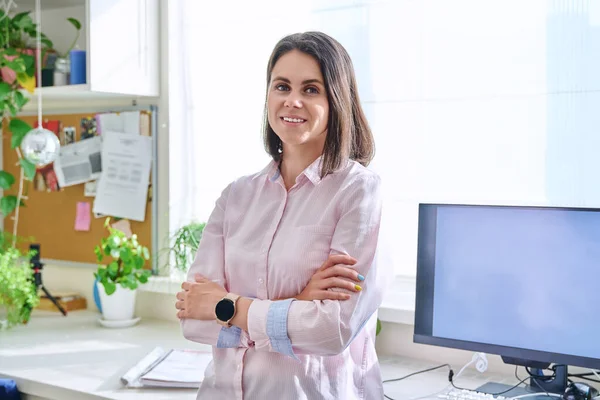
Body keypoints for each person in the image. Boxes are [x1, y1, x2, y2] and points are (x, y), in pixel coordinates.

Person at [176, 31, 392, 400]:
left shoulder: (359, 192)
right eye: (282, 86)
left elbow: (331, 330)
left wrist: (226, 306)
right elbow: (193, 320)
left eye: (311, 89)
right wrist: (297, 305)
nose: (292, 101)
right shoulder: (237, 195)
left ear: (337, 100)